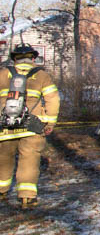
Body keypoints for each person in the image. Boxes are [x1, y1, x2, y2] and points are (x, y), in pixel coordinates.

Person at [0, 44, 60, 208]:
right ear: (33, 58)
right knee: (30, 160)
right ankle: (27, 197)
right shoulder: (41, 75)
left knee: (4, 159)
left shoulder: (3, 74)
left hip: (5, 125)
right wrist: (50, 122)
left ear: (14, 59)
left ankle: (2, 190)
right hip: (32, 125)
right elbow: (53, 99)